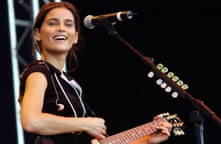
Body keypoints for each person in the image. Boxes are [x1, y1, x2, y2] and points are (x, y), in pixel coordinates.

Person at [18, 1, 173, 144]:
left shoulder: (71, 85)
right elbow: (31, 121)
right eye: (53, 23)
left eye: (68, 24)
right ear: (37, 34)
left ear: (76, 37)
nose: (61, 28)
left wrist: (146, 139)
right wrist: (85, 123)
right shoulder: (38, 72)